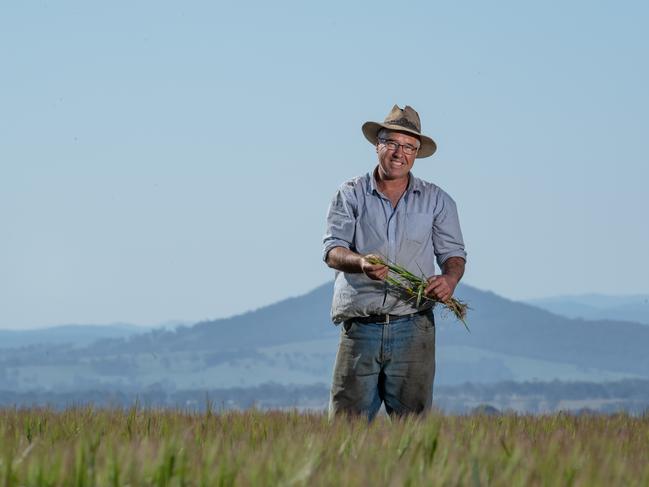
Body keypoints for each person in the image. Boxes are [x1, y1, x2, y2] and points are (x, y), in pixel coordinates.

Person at [322, 104, 467, 421]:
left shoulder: (437, 200)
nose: (399, 153)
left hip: (413, 326)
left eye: (408, 147)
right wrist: (361, 262)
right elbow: (333, 251)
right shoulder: (350, 194)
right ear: (378, 146)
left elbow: (454, 255)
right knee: (346, 431)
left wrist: (450, 280)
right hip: (360, 327)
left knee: (414, 431)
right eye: (392, 143)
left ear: (416, 154)